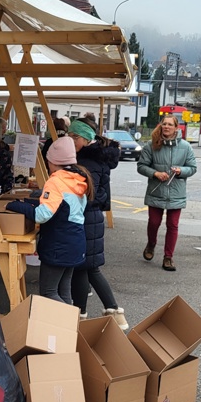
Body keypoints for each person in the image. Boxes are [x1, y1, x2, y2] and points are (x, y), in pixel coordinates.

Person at [6, 137, 91, 303]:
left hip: (58, 245)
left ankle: (63, 324)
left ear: (53, 161)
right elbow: (63, 207)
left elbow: (42, 215)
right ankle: (69, 327)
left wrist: (15, 205)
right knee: (64, 292)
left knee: (49, 293)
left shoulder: (55, 181)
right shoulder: (77, 179)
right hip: (75, 242)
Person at [68, 118, 128, 330]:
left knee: (89, 268)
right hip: (90, 218)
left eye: (75, 137)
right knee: (83, 267)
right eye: (70, 135)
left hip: (87, 218)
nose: (71, 140)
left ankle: (112, 311)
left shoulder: (87, 161)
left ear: (86, 138)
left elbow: (90, 194)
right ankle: (83, 314)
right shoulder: (92, 157)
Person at [137, 115, 197, 271]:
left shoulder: (186, 147)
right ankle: (151, 245)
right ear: (161, 126)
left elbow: (192, 168)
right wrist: (155, 173)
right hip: (156, 190)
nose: (166, 127)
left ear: (176, 128)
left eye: (170, 124)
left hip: (176, 191)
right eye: (164, 124)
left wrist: (180, 171)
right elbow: (141, 166)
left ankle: (168, 257)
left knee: (173, 225)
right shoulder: (151, 145)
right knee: (154, 223)